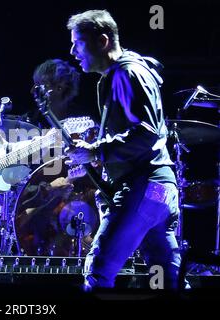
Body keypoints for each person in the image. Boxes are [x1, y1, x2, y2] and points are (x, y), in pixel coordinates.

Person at [66, 10, 181, 289]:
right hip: (160, 190)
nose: (72, 51)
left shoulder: (126, 73)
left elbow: (145, 133)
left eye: (78, 43)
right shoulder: (126, 73)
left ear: (103, 40)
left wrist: (97, 151)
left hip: (143, 186)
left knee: (98, 272)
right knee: (168, 282)